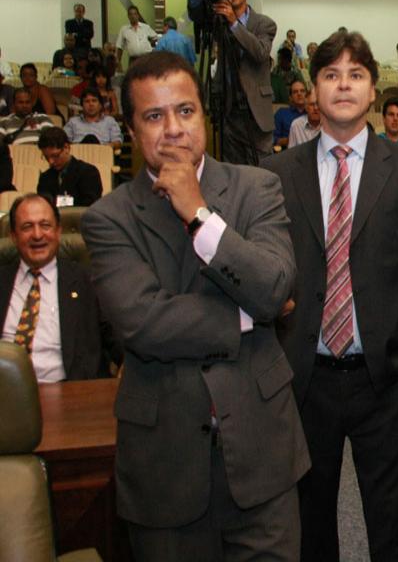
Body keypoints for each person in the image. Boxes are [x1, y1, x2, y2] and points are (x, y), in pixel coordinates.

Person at [81, 52, 308, 561]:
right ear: (132, 128)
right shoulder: (108, 219)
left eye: (185, 111)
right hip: (165, 469)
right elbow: (143, 324)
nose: (173, 129)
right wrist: (249, 315)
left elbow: (273, 285)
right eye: (154, 116)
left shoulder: (257, 188)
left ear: (203, 115)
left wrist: (200, 215)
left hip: (261, 455)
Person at [262, 30, 398, 561]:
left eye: (356, 75)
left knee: (394, 532)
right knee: (309, 530)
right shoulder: (276, 174)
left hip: (387, 383)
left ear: (373, 92)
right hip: (304, 381)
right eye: (330, 74)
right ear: (313, 91)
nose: (343, 85)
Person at [1, 193, 117, 381]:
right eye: (27, 227)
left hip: (72, 395)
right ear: (13, 236)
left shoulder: (89, 281)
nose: (37, 235)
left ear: (58, 231)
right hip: (7, 394)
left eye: (45, 225)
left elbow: (119, 339)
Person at [188, 0, 277, 165]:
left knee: (261, 171)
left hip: (255, 112)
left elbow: (260, 53)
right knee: (232, 173)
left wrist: (234, 24)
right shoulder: (217, 21)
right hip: (228, 110)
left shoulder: (264, 24)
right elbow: (196, 14)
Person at [36, 128, 103, 207]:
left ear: (66, 147)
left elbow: (90, 207)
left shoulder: (88, 172)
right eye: (47, 157)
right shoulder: (45, 178)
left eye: (55, 156)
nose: (51, 162)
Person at [115, 5, 158, 69]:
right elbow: (119, 47)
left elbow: (155, 38)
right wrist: (118, 63)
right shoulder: (124, 29)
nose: (133, 16)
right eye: (131, 14)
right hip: (133, 60)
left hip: (146, 58)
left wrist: (149, 44)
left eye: (135, 14)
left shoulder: (145, 27)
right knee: (133, 77)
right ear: (128, 16)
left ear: (138, 15)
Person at [273, 80, 307, 149]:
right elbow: (273, 140)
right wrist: (290, 139)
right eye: (295, 92)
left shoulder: (313, 112)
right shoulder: (281, 113)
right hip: (289, 152)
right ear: (290, 97)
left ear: (307, 95)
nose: (299, 94)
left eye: (302, 91)